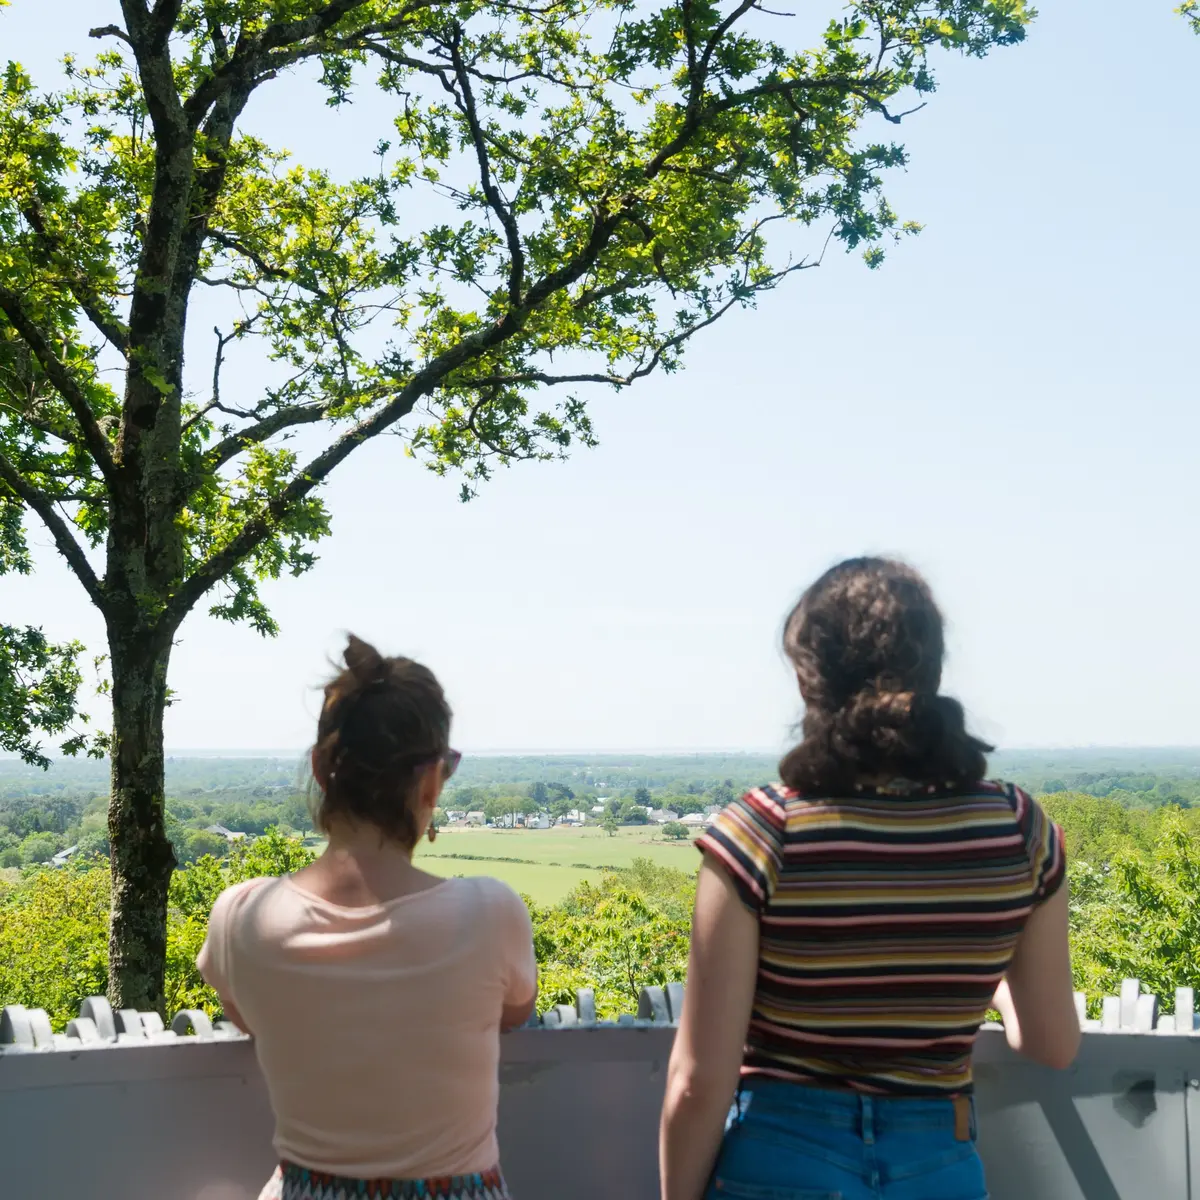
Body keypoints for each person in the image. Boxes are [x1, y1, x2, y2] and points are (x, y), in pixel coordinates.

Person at [660, 558, 1080, 1200]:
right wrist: (983, 977)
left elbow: (698, 1081)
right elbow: (1051, 1043)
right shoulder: (1019, 830)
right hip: (939, 1166)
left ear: (809, 680)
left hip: (778, 1160)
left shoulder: (762, 831)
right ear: (934, 670)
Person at [198, 636, 537, 1200]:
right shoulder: (490, 914)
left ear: (321, 770)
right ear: (431, 781)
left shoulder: (241, 918)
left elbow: (250, 1017)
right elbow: (514, 1011)